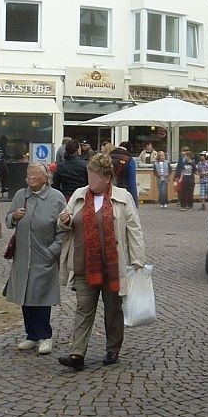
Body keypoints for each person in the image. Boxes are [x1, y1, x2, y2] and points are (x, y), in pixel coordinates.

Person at [56, 153, 146, 371]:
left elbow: (134, 230)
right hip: (84, 263)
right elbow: (63, 221)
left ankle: (113, 348)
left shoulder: (123, 197)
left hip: (113, 265)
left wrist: (137, 260)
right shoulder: (79, 194)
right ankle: (77, 353)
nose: (90, 181)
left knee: (113, 309)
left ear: (107, 177)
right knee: (83, 308)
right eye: (89, 175)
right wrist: (64, 220)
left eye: (94, 177)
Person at [4, 162, 66, 355]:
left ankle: (45, 336)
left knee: (41, 296)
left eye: (35, 175)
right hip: (23, 255)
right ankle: (31, 335)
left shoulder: (56, 198)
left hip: (44, 255)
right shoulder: (20, 196)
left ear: (46, 178)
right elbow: (7, 221)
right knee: (25, 295)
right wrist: (14, 216)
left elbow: (64, 229)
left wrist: (53, 251)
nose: (31, 179)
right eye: (29, 175)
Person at [110, 141, 138, 207]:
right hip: (122, 192)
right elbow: (132, 183)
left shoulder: (107, 157)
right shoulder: (129, 160)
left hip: (108, 191)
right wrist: (134, 201)